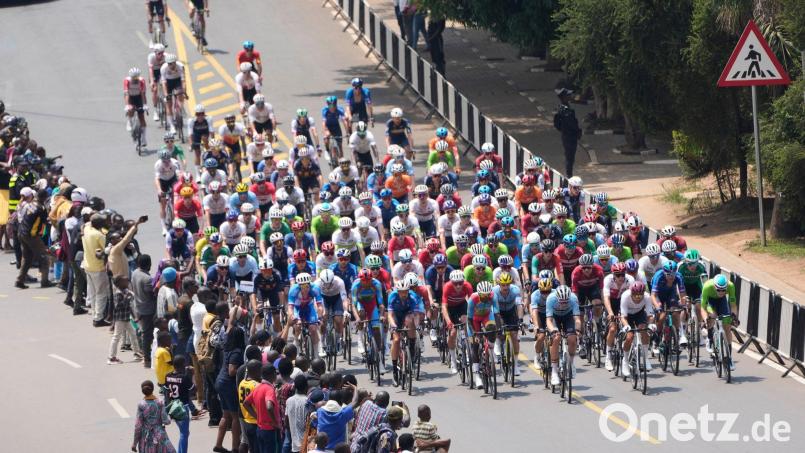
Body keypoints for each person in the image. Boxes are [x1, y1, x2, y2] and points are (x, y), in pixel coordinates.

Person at [215, 327, 245, 453]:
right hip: (228, 384)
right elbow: (232, 371)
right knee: (235, 416)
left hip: (220, 382)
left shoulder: (227, 349)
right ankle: (235, 447)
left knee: (225, 414)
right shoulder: (237, 351)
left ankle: (218, 445)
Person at [15, 188, 52, 289]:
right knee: (44, 256)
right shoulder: (41, 208)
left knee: (27, 258)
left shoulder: (30, 204)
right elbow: (46, 221)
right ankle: (45, 281)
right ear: (44, 198)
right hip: (31, 236)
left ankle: (20, 280)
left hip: (21, 233)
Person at [314, 385, 371, 450]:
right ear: (341, 401)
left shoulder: (320, 411)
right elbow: (354, 402)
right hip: (338, 450)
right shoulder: (343, 414)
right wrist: (355, 388)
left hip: (321, 449)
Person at [243, 363, 281, 453]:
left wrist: (257, 417)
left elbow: (246, 403)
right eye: (275, 373)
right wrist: (275, 423)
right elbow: (269, 407)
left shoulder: (258, 388)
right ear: (272, 375)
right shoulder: (269, 389)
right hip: (270, 430)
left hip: (260, 429)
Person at [131, 380, 176, 453]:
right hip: (160, 436)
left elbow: (138, 426)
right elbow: (166, 421)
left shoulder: (141, 405)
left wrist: (134, 443)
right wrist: (170, 416)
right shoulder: (160, 402)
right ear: (152, 389)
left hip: (146, 439)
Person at [82, 214, 110, 327]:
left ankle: (95, 314)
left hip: (87, 265)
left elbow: (86, 223)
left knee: (93, 292)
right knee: (101, 293)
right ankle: (98, 318)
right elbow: (106, 250)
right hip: (98, 268)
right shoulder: (99, 235)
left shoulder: (87, 229)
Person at [108, 275, 144, 364]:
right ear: (119, 283)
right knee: (116, 337)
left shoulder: (126, 292)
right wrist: (126, 297)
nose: (127, 282)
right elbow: (118, 306)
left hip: (127, 318)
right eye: (125, 281)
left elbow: (129, 306)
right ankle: (111, 357)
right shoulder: (118, 293)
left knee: (133, 334)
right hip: (120, 319)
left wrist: (134, 316)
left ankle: (136, 353)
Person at [164, 355, 194, 453]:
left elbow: (166, 392)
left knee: (184, 432)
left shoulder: (167, 376)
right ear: (182, 365)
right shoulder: (184, 377)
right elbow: (194, 390)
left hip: (172, 407)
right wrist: (192, 376)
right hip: (183, 408)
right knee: (184, 434)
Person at [552, 88, 582, 177]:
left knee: (570, 157)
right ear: (564, 97)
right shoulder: (565, 110)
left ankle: (569, 175)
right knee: (570, 157)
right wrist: (576, 132)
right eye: (568, 95)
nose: (570, 96)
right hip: (569, 136)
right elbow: (571, 123)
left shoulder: (565, 107)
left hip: (568, 135)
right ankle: (569, 176)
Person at [238, 359, 262, 453]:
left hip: (246, 420)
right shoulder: (256, 385)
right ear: (256, 371)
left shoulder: (242, 383)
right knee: (257, 449)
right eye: (260, 370)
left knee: (251, 448)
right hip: (255, 421)